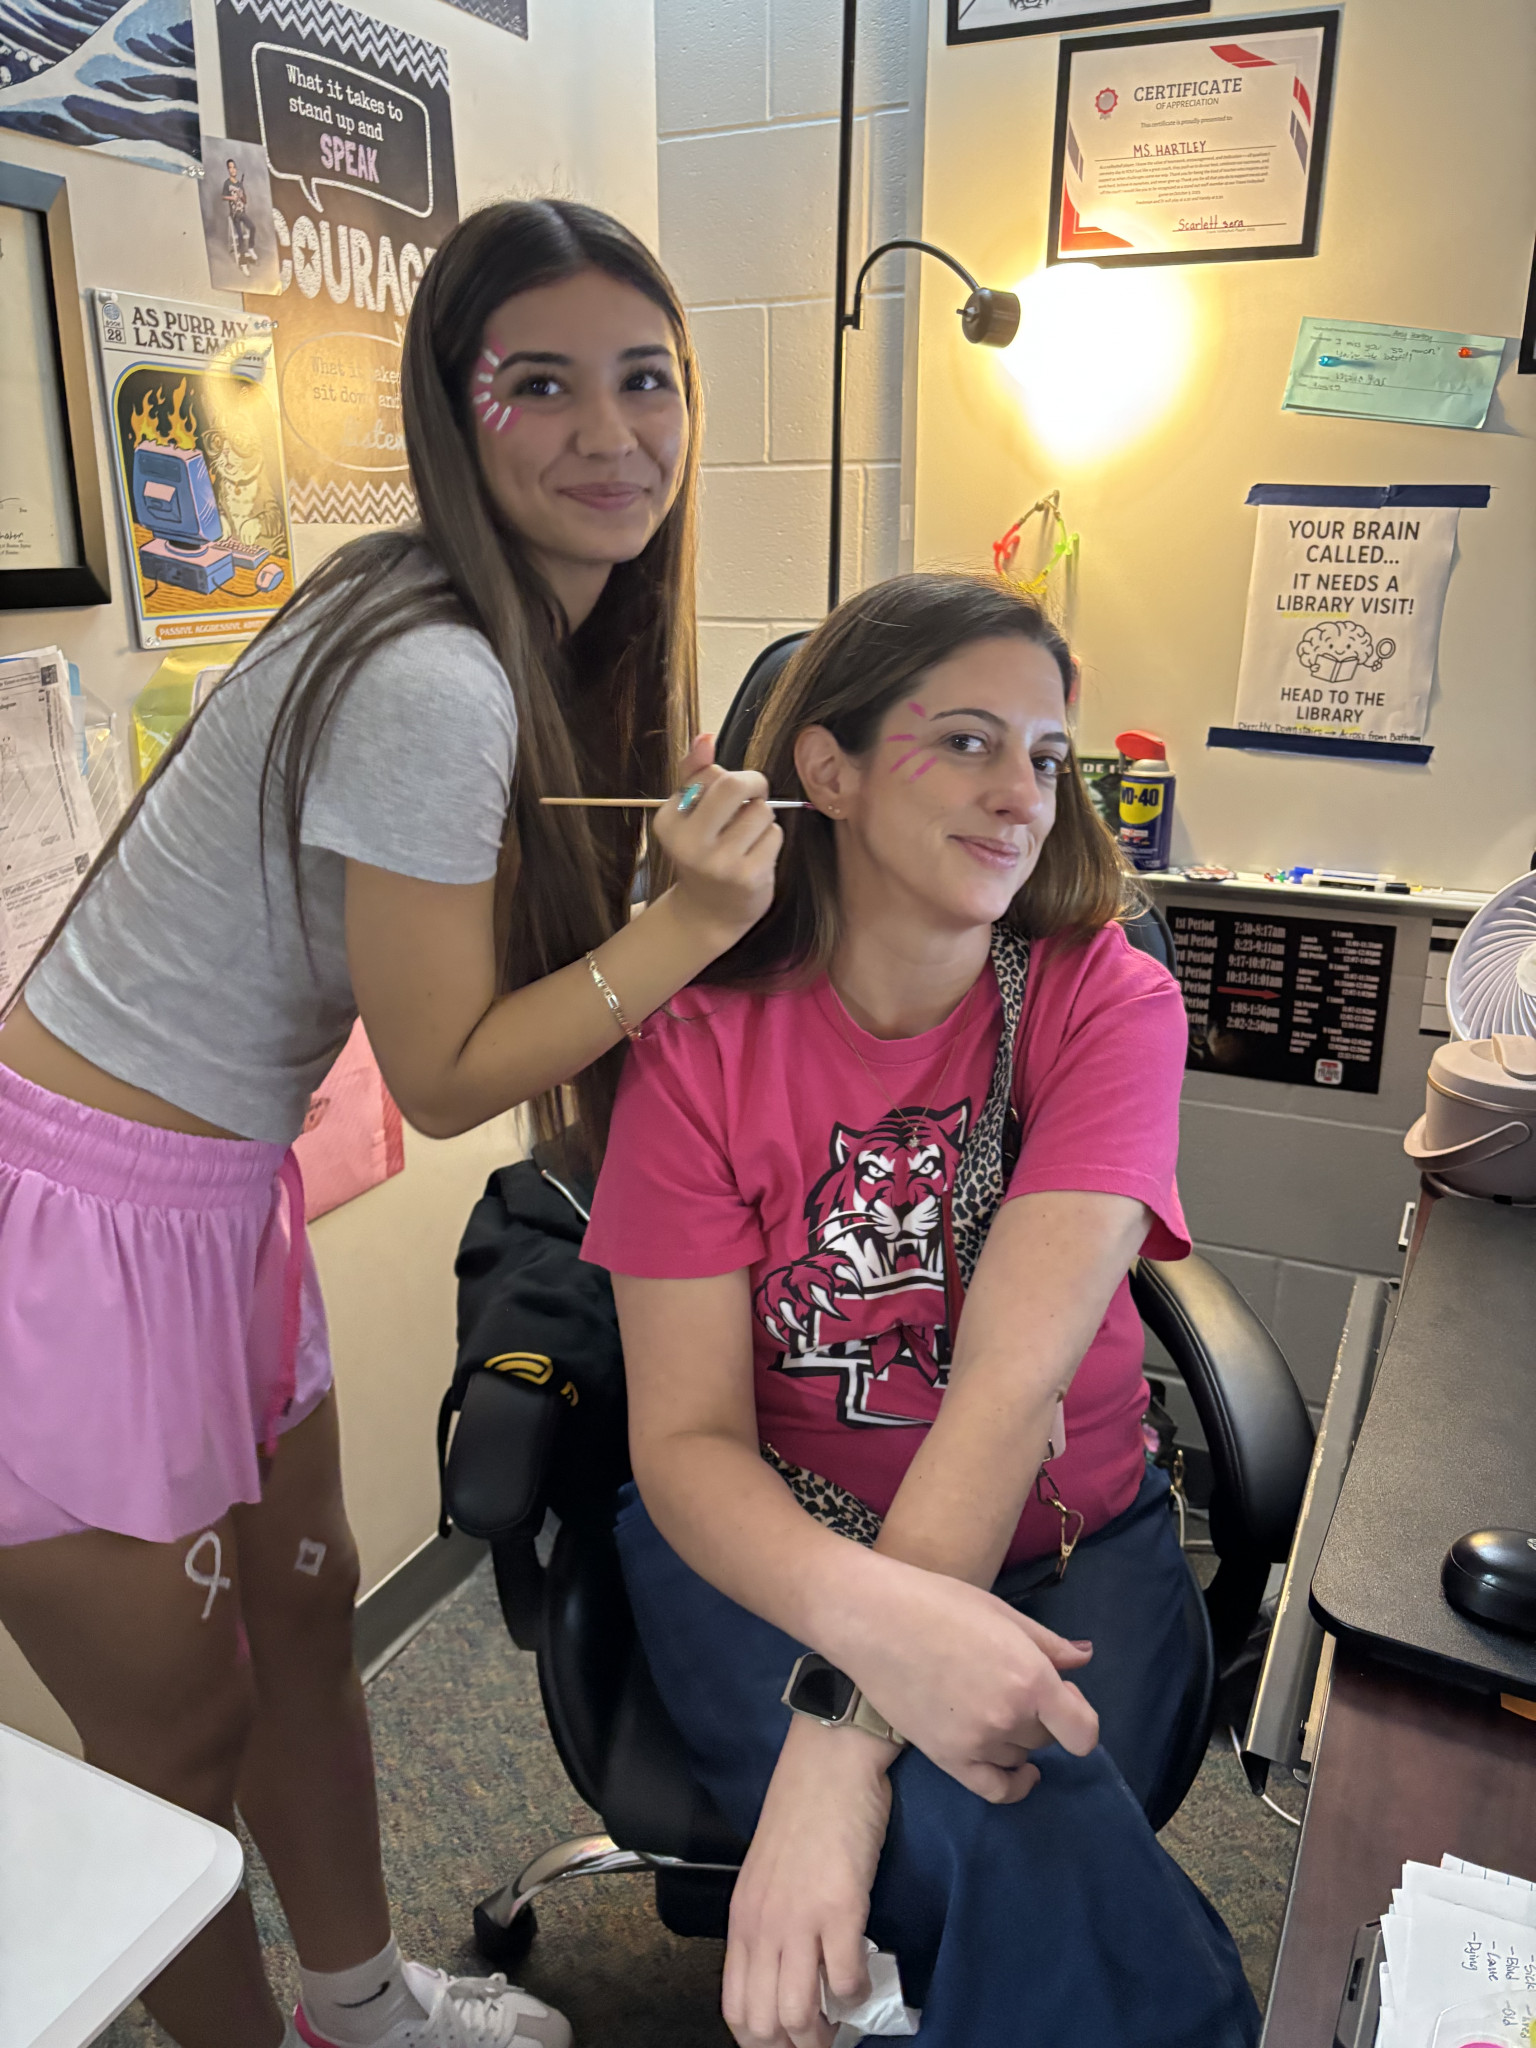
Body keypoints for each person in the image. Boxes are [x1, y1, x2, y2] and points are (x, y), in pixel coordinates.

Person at [0, 199, 781, 2048]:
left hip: (215, 1194)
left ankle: (360, 2009)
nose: (611, 434)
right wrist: (687, 929)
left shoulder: (483, 626)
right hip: (73, 1228)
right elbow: (442, 1079)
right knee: (174, 1738)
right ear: (455, 406)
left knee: (308, 1611)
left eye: (647, 380)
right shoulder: (436, 670)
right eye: (540, 386)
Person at [582, 574, 1262, 2048]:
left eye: (1047, 756)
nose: (1023, 794)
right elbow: (688, 1439)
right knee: (1012, 1827)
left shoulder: (1107, 1003)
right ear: (827, 772)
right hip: (776, 1546)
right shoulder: (698, 1042)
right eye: (965, 741)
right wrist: (876, 1647)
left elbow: (1007, 1392)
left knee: (992, 1805)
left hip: (1055, 1538)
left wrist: (839, 1750)